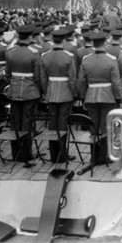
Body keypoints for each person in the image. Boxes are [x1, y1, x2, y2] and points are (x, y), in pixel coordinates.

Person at [77, 30, 122, 164]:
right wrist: (118, 97)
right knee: (106, 126)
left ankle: (94, 156)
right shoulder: (111, 60)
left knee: (94, 127)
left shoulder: (86, 60)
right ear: (104, 42)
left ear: (93, 43)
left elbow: (81, 81)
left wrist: (83, 96)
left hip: (91, 96)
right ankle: (104, 156)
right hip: (107, 96)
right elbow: (116, 82)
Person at [4, 24, 43, 166]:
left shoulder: (10, 51)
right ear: (30, 37)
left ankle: (16, 153)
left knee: (15, 122)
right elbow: (38, 77)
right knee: (27, 123)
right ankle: (26, 154)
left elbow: (7, 73)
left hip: (14, 91)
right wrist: (39, 90)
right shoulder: (34, 53)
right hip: (30, 92)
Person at [40, 27, 78, 163]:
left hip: (51, 92)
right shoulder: (68, 56)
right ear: (63, 40)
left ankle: (53, 154)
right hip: (65, 93)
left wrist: (46, 92)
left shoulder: (45, 56)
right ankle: (62, 155)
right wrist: (75, 94)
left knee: (52, 124)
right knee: (62, 124)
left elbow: (43, 78)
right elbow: (72, 78)